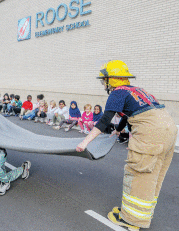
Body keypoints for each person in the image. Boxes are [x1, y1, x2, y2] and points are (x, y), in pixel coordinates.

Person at [76, 60, 177, 230]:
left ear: (112, 79)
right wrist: (118, 131)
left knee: (139, 174)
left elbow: (104, 120)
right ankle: (143, 214)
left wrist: (85, 142)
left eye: (104, 80)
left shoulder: (117, 92)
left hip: (151, 133)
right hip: (170, 130)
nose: (104, 84)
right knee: (154, 175)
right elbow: (127, 115)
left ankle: (130, 220)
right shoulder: (137, 90)